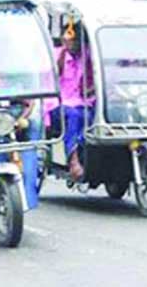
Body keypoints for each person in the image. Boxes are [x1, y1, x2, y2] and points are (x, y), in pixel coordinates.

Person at [46, 20, 94, 181]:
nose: (71, 43)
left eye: (75, 39)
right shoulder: (56, 54)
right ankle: (73, 160)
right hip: (58, 105)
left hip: (85, 102)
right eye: (68, 38)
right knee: (75, 116)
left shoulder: (89, 55)